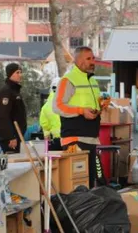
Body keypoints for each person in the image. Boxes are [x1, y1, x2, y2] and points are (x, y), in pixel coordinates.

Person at [53, 46, 109, 188]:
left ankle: (87, 209)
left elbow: (91, 107)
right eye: (88, 59)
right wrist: (81, 111)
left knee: (88, 182)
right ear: (78, 60)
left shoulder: (92, 80)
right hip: (75, 139)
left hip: (90, 137)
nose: (92, 62)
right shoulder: (68, 80)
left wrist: (101, 105)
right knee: (77, 183)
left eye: (93, 58)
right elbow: (57, 106)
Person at [0, 63, 26, 154]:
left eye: (21, 72)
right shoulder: (6, 92)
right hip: (10, 138)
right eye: (17, 72)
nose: (20, 75)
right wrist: (10, 137)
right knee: (11, 163)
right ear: (10, 74)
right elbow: (3, 116)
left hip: (17, 135)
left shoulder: (15, 91)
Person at [39, 78, 62, 151]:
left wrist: (46, 134)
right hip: (69, 139)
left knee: (56, 161)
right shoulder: (67, 102)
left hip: (56, 140)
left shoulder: (46, 106)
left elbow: (44, 124)